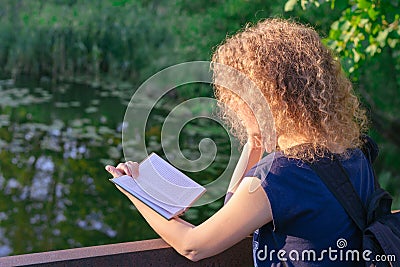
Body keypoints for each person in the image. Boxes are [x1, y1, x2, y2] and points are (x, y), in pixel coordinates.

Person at [106, 18, 375, 266]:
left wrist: (134, 192)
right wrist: (256, 138)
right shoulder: (353, 152)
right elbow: (234, 209)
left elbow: (193, 246)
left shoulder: (281, 175)